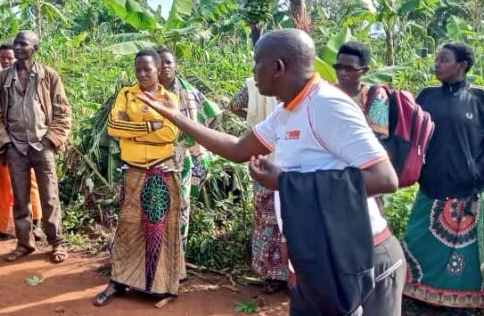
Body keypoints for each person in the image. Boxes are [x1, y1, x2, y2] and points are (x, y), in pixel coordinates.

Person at [137, 29, 404, 315]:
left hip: (360, 257)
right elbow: (239, 149)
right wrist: (175, 116)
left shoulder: (327, 104)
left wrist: (287, 182)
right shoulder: (285, 111)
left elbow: (385, 179)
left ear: (278, 67)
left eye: (256, 63)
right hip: (321, 256)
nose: (253, 71)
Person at [94, 50, 183, 306]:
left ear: (158, 70)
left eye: (148, 69)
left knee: (159, 229)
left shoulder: (170, 99)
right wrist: (148, 127)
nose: (142, 74)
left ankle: (161, 286)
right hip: (133, 171)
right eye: (138, 70)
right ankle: (118, 282)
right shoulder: (126, 94)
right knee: (127, 228)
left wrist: (132, 132)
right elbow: (113, 127)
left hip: (160, 171)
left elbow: (169, 134)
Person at [402, 42, 484, 311]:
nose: (436, 63)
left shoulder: (479, 99)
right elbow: (409, 134)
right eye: (437, 58)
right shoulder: (426, 96)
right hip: (430, 189)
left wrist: (477, 174)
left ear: (461, 66)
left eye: (444, 59)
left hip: (465, 194)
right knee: (417, 240)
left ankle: (458, 303)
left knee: (462, 254)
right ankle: (417, 295)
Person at [0, 31, 72, 263]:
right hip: (16, 147)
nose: (17, 47)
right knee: (20, 199)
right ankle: (25, 243)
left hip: (42, 145)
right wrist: (5, 143)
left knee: (50, 197)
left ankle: (57, 243)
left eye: (23, 44)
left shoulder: (49, 76)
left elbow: (63, 111)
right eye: (16, 43)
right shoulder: (2, 80)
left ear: (35, 48)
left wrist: (51, 140)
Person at [157, 48, 220, 251]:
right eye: (161, 63)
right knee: (154, 207)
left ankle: (177, 259)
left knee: (181, 207)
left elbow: (213, 115)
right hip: (153, 157)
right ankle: (152, 257)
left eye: (169, 62)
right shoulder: (146, 93)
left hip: (182, 158)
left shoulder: (190, 93)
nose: (165, 66)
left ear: (176, 66)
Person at [229, 78, 287, 294]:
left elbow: (234, 105)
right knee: (282, 218)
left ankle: (273, 276)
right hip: (282, 160)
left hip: (263, 157)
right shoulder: (294, 82)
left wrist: (254, 122)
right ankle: (287, 275)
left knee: (267, 219)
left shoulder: (253, 85)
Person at [0, 43, 45, 238]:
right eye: (3, 58)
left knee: (30, 180)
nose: (7, 61)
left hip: (27, 138)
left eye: (10, 57)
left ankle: (36, 224)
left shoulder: (33, 77)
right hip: (0, 139)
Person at [333, 42, 389, 138]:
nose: (342, 73)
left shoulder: (375, 96)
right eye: (339, 67)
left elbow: (378, 138)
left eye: (349, 69)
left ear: (365, 70)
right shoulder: (325, 93)